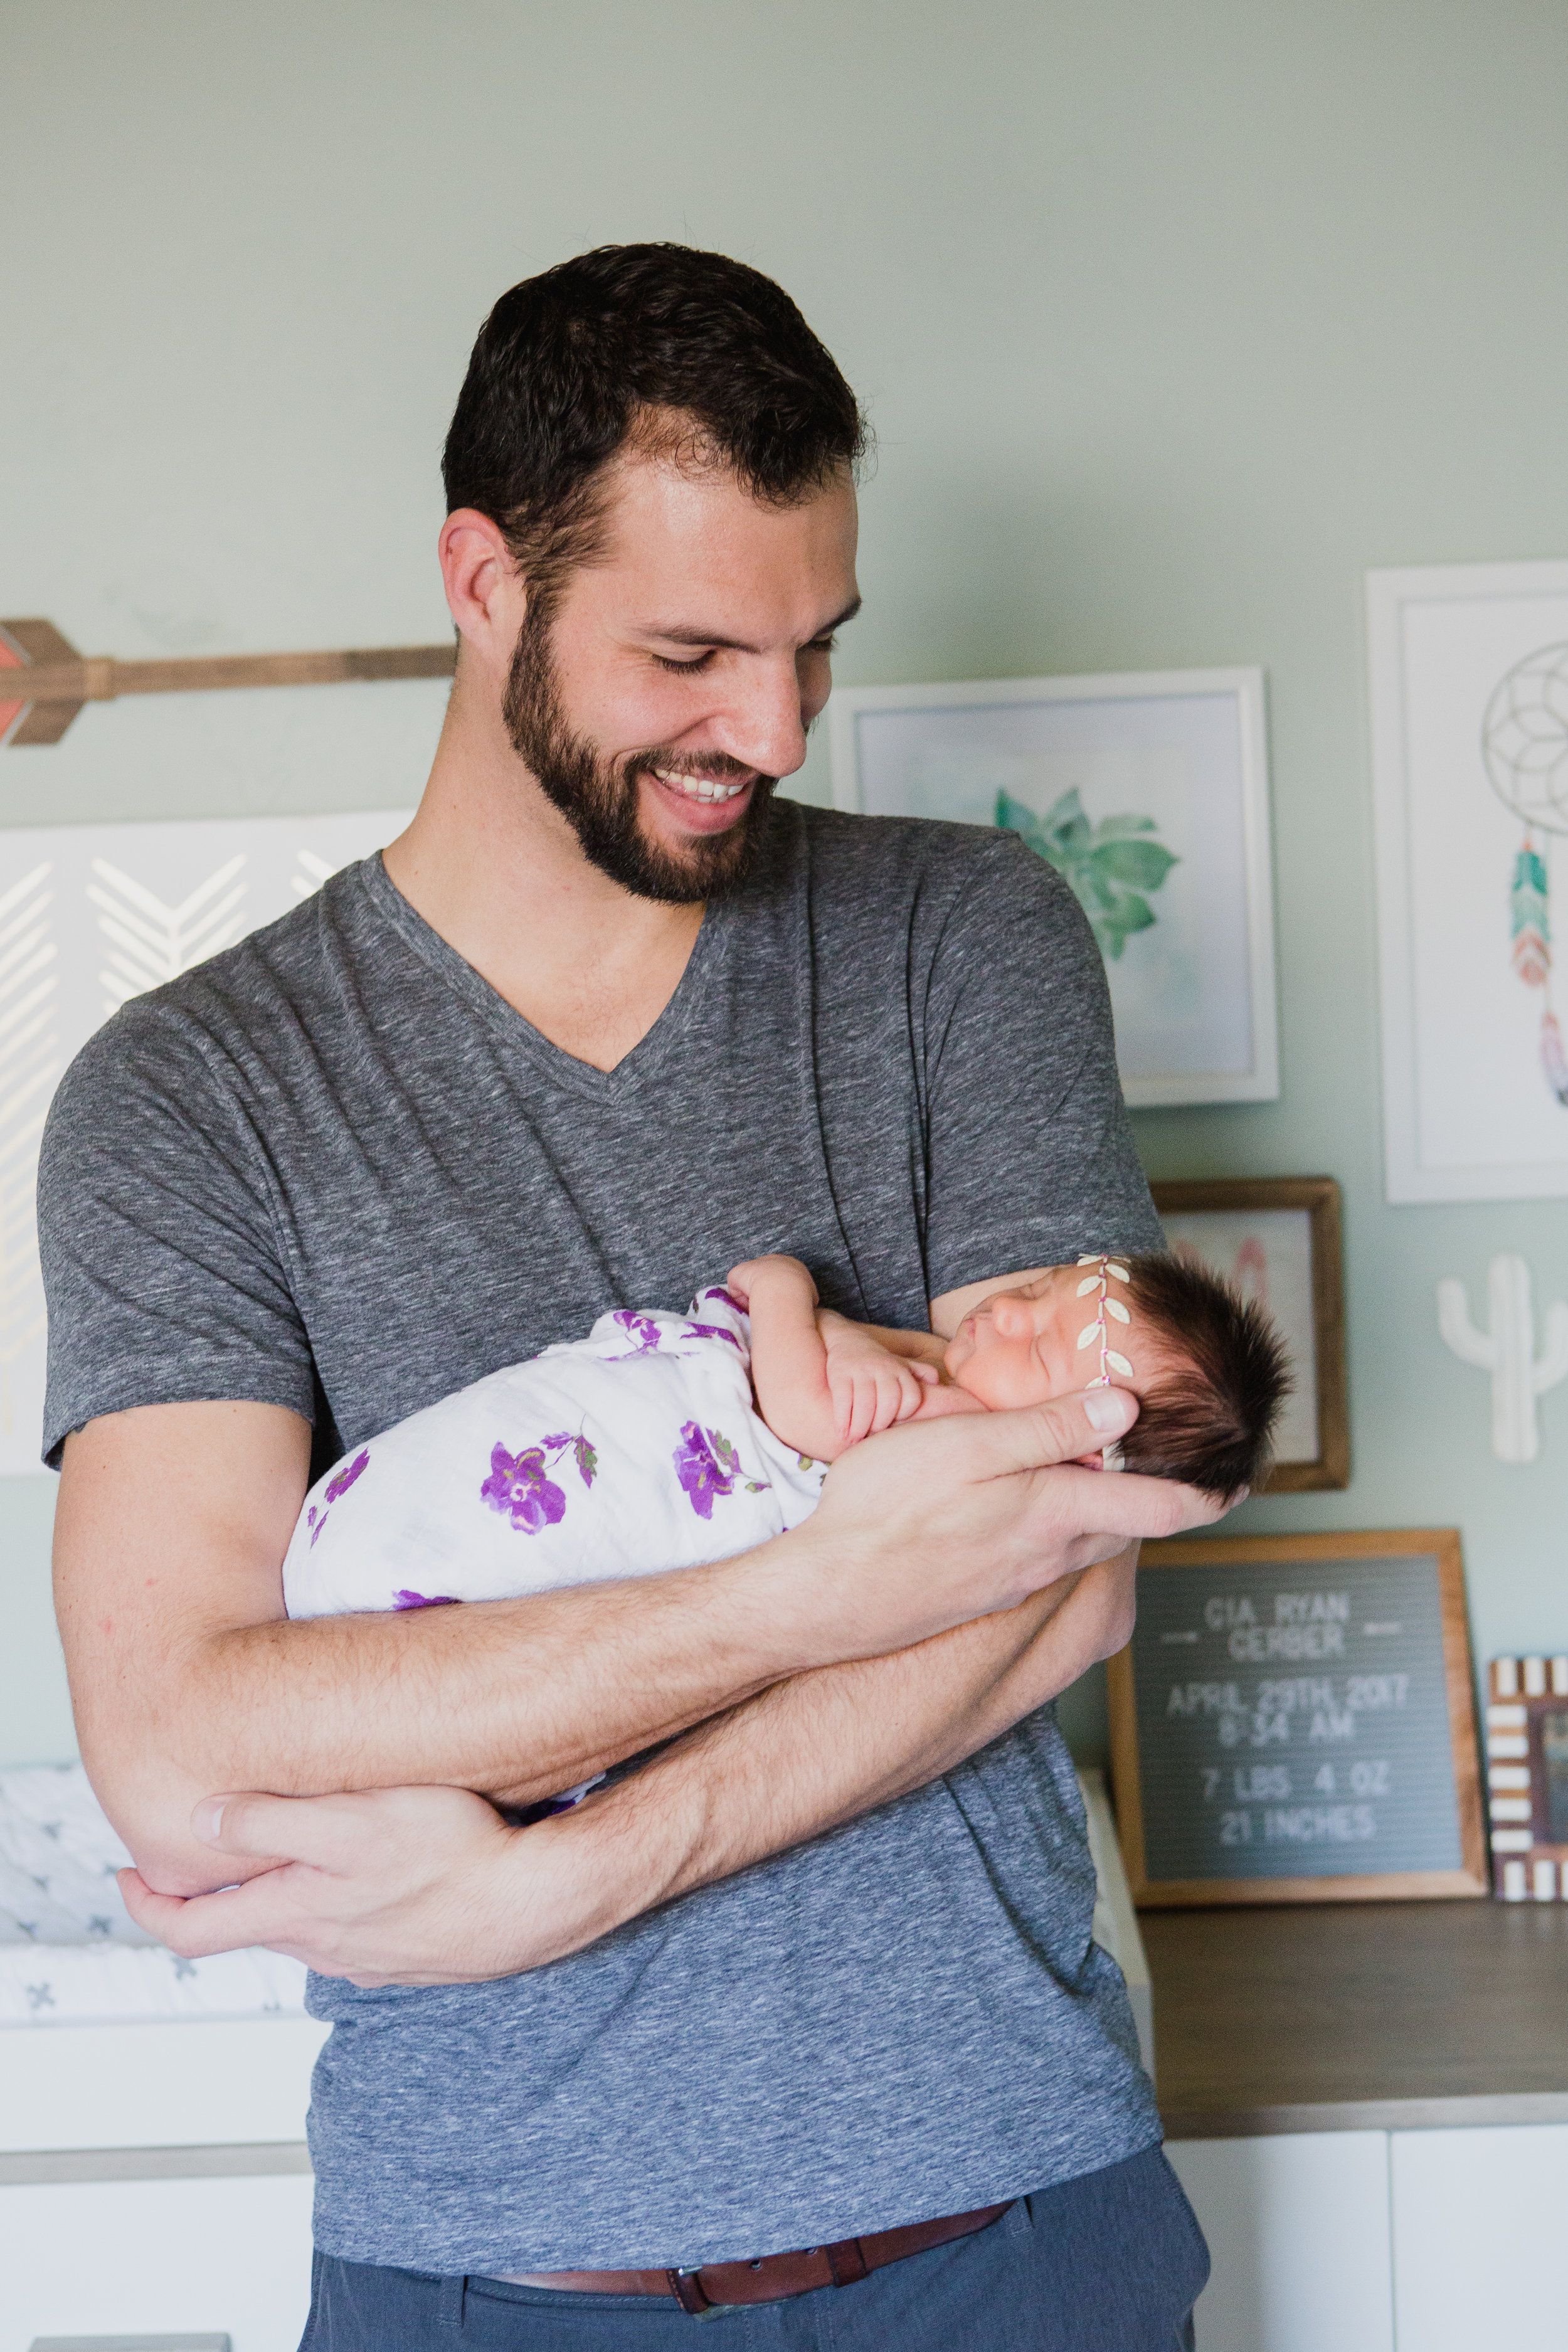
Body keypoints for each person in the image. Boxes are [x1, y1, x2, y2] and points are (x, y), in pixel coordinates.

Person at [42, 244, 1228, 2348]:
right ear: (480, 576)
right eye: (690, 651)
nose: (764, 730)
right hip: (488, 2277)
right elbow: (183, 1741)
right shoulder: (191, 1092)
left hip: (1006, 2236)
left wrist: (565, 1876)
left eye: (811, 652)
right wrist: (819, 1596)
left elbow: (1079, 1555)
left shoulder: (966, 944)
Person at [282, 1251, 1287, 1646]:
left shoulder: (974, 1448)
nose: (1010, 1313)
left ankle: (384, 1563)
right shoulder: (950, 1376)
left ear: (1081, 1446)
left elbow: (801, 1414)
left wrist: (783, 1290)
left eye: (1042, 1345)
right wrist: (855, 1344)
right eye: (1040, 1293)